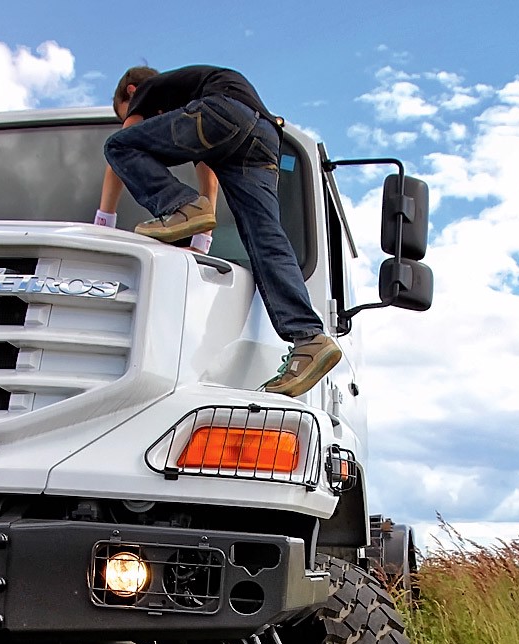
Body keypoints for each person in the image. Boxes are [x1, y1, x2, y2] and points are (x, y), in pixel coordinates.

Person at [94, 64, 341, 397]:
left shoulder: (149, 91)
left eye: (126, 113)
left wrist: (103, 224)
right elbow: (207, 169)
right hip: (264, 136)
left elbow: (122, 150)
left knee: (119, 146)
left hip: (223, 113)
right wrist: (201, 232)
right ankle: (309, 337)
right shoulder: (193, 104)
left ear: (131, 94)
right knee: (264, 236)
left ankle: (176, 204)